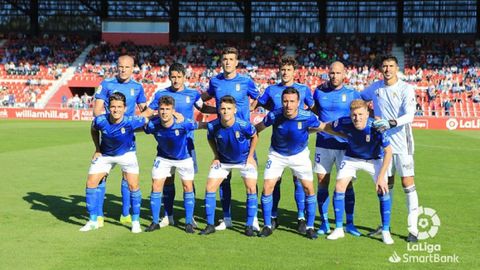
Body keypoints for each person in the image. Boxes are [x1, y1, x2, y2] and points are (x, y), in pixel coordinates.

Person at [255, 87, 328, 240]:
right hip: (277, 154)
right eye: (285, 101)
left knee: (308, 188)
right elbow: (258, 128)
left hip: (299, 155)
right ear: (281, 102)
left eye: (292, 101)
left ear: (298, 103)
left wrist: (345, 134)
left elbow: (323, 127)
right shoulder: (274, 115)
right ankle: (267, 225)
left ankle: (309, 226)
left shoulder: (307, 116)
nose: (288, 105)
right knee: (268, 186)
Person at [361, 55, 419, 243]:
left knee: (407, 183)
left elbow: (410, 115)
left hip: (402, 144)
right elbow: (360, 99)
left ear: (397, 68)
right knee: (385, 184)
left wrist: (391, 122)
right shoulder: (375, 88)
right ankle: (384, 225)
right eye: (384, 66)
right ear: (381, 69)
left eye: (391, 66)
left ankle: (413, 229)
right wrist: (369, 115)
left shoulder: (406, 88)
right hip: (383, 144)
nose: (387, 69)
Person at [201, 47, 260, 231]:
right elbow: (203, 99)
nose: (227, 62)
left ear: (236, 62)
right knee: (223, 180)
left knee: (250, 180)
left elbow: (257, 98)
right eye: (224, 59)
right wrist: (212, 110)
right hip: (223, 136)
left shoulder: (245, 81)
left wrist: (248, 111)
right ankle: (226, 218)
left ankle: (254, 219)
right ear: (221, 62)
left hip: (243, 136)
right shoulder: (215, 82)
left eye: (231, 59)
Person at [255, 55, 314, 232]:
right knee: (275, 182)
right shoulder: (272, 89)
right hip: (278, 145)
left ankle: (301, 217)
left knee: (299, 182)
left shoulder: (304, 89)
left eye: (289, 69)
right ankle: (272, 216)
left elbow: (312, 110)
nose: (285, 72)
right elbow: (262, 106)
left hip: (298, 146)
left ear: (294, 72)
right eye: (283, 69)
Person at [323, 99, 394, 245]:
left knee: (383, 189)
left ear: (367, 114)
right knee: (339, 187)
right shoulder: (344, 122)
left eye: (361, 114)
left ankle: (386, 231)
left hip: (374, 159)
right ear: (350, 115)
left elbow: (388, 152)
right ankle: (338, 229)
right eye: (354, 115)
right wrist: (346, 136)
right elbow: (327, 127)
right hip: (351, 158)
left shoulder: (376, 127)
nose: (357, 118)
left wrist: (381, 177)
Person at [143, 63, 203, 229]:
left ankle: (190, 217)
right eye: (173, 77)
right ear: (169, 77)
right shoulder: (161, 94)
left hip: (187, 144)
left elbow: (204, 108)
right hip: (166, 144)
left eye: (179, 77)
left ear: (185, 77)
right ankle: (168, 215)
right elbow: (149, 112)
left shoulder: (193, 93)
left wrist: (221, 113)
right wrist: (134, 121)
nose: (176, 80)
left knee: (188, 182)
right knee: (167, 180)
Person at [80, 92, 146, 233]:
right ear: (108, 108)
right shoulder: (100, 120)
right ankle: (93, 221)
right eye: (113, 107)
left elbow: (150, 121)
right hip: (105, 154)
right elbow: (93, 129)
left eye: (119, 107)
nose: (116, 110)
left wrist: (174, 116)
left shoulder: (131, 121)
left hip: (127, 154)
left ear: (125, 108)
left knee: (133, 185)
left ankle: (135, 222)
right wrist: (97, 148)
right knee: (91, 183)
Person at [93, 55, 147, 227]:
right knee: (101, 176)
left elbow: (145, 111)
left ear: (133, 69)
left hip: (127, 138)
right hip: (108, 138)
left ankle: (125, 214)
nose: (123, 70)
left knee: (127, 176)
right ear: (117, 67)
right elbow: (97, 110)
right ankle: (99, 216)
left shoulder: (137, 87)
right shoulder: (107, 84)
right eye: (120, 67)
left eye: (127, 67)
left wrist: (133, 124)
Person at [311, 61, 361, 236]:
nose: (334, 76)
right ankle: (324, 222)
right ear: (328, 73)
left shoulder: (352, 93)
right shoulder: (319, 91)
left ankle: (350, 223)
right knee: (322, 183)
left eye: (338, 73)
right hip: (323, 144)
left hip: (345, 146)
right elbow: (315, 112)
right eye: (332, 73)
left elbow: (359, 115)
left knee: (346, 185)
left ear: (344, 74)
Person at [199, 96, 259, 237]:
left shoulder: (243, 125)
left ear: (235, 110)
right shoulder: (213, 125)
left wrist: (250, 157)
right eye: (223, 109)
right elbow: (210, 138)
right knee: (210, 187)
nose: (226, 111)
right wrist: (216, 155)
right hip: (223, 161)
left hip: (244, 160)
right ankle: (211, 224)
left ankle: (249, 225)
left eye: (229, 109)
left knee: (251, 188)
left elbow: (255, 136)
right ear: (219, 110)